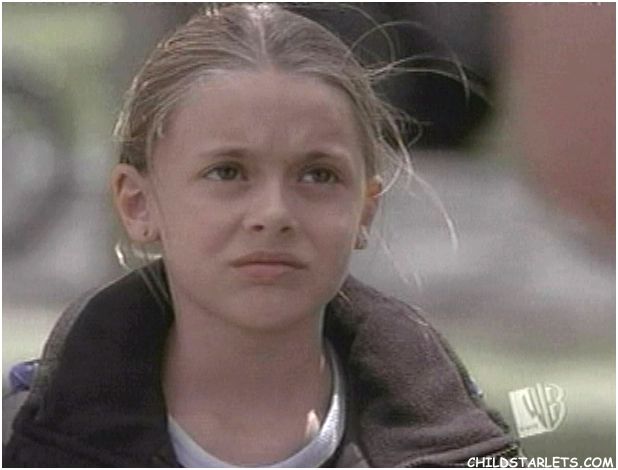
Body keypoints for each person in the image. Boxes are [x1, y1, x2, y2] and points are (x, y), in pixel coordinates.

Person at [4, 4, 520, 467]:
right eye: (227, 172)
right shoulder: (27, 441)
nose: (274, 214)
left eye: (318, 175)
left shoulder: (458, 447)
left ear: (365, 209)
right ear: (138, 204)